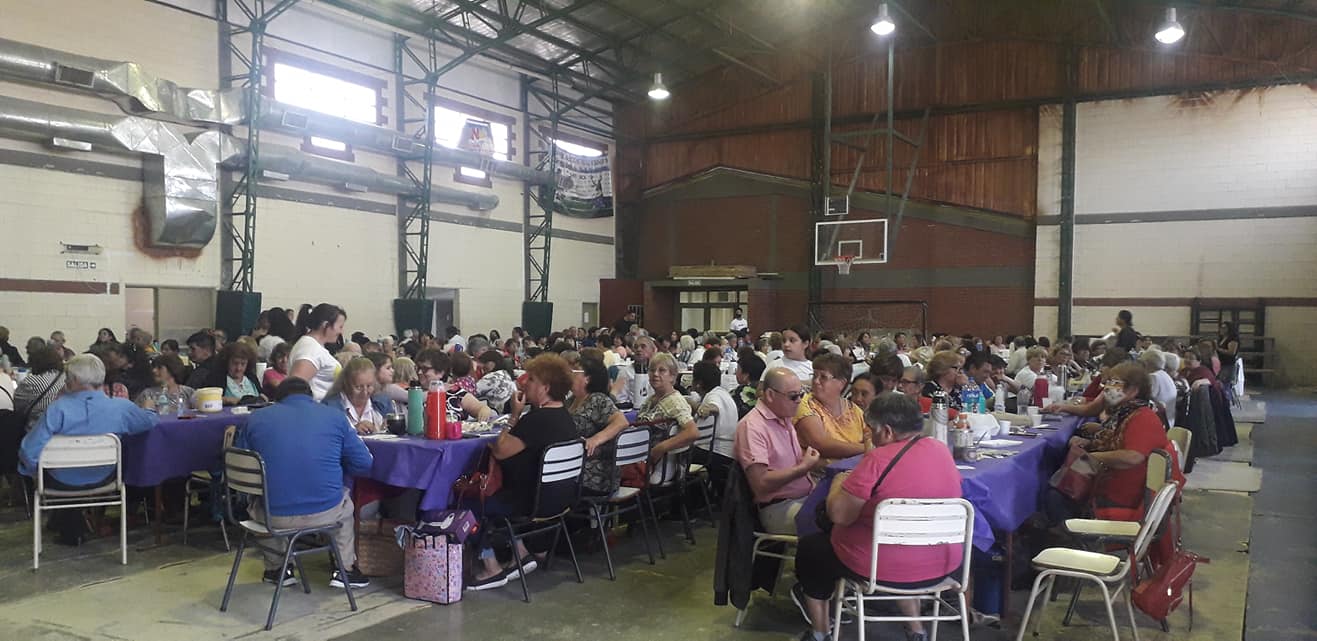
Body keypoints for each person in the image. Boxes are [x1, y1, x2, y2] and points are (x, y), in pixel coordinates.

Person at [792, 392, 963, 641]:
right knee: (904, 541)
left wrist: (840, 480)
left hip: (882, 567)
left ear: (887, 431)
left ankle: (820, 633)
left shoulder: (877, 460)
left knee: (812, 549)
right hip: (942, 563)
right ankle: (916, 630)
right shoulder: (941, 450)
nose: (869, 435)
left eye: (871, 429)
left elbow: (839, 515)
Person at [235, 377, 373, 588]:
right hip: (325, 513)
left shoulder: (255, 419)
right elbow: (364, 463)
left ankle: (278, 569)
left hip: (272, 518)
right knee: (344, 501)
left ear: (277, 399)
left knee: (263, 498)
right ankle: (344, 570)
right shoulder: (335, 417)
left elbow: (241, 466)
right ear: (311, 397)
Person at [467, 354, 580, 590]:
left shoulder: (537, 420)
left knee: (470, 502)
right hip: (560, 500)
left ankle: (491, 567)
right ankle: (520, 552)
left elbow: (500, 450)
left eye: (531, 380)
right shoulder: (566, 418)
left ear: (545, 388)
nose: (524, 383)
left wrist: (515, 415)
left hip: (528, 503)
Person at [19, 355, 158, 545]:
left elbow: (28, 450)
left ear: (74, 380)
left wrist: (35, 471)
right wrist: (149, 409)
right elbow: (148, 423)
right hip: (106, 477)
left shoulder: (57, 409)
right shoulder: (121, 407)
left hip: (61, 481)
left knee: (52, 469)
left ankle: (68, 526)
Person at [1063, 363, 1183, 521]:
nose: (1108, 388)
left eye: (1115, 383)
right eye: (1108, 382)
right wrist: (1090, 442)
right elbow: (1119, 439)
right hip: (1121, 484)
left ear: (1133, 390)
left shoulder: (1143, 417)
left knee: (1058, 494)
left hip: (1124, 493)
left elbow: (1132, 457)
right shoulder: (1127, 412)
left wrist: (1092, 456)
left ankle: (1063, 530)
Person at [733, 367, 815, 535]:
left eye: (801, 394)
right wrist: (803, 468)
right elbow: (761, 483)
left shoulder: (784, 417)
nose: (799, 401)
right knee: (837, 526)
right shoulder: (752, 427)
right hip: (778, 508)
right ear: (770, 395)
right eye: (793, 396)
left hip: (801, 498)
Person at [634, 353, 701, 481]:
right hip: (642, 457)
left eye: (662, 370)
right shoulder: (651, 399)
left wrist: (660, 448)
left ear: (672, 376)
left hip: (660, 465)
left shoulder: (674, 401)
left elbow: (693, 432)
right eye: (652, 370)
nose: (655, 374)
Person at [569, 357, 629, 496]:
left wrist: (596, 439)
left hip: (596, 472)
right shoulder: (570, 401)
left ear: (587, 379)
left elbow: (621, 422)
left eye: (574, 371)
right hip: (575, 462)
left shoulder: (597, 399)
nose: (569, 374)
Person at [795, 353, 869, 464]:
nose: (816, 381)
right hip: (820, 472)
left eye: (823, 377)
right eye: (814, 375)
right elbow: (820, 444)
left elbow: (870, 437)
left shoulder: (854, 410)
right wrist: (867, 449)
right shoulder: (804, 404)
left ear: (842, 383)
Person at [413, 348, 494, 422]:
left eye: (425, 369)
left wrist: (484, 412)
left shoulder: (454, 392)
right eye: (418, 368)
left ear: (440, 372)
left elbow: (482, 408)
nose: (419, 372)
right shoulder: (411, 394)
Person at [692, 360, 738, 488]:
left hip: (715, 453)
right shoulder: (723, 393)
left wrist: (704, 409)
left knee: (675, 452)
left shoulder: (713, 396)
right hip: (729, 453)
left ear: (699, 383)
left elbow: (714, 407)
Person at [290, 303, 347, 400]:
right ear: (325, 325)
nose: (341, 332)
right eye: (340, 327)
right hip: (314, 407)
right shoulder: (310, 350)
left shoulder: (315, 347)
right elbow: (294, 389)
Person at [322, 356, 389, 435]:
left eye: (369, 386)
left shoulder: (382, 403)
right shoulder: (329, 406)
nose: (365, 392)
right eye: (359, 387)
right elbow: (326, 435)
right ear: (346, 384)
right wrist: (352, 430)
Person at [13, 347, 65, 432]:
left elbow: (17, 406)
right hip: (61, 428)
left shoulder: (31, 382)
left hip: (36, 429)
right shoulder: (65, 377)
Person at [611, 335, 657, 409]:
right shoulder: (625, 372)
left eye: (643, 346)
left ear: (653, 350)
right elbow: (621, 400)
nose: (638, 349)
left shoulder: (658, 371)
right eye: (636, 347)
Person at [1139, 349, 1177, 427]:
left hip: (1162, 422)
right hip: (1169, 419)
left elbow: (1145, 398)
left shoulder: (1154, 376)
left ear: (1146, 364)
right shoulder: (1164, 374)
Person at [732, 346, 764, 419]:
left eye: (738, 369)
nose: (735, 372)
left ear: (745, 375)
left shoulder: (741, 392)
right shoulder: (764, 391)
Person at [1216, 321, 1240, 388]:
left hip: (1228, 364)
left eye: (1224, 328)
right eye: (1221, 328)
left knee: (1225, 384)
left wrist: (1218, 349)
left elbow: (1232, 352)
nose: (1222, 329)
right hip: (1221, 363)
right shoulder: (1221, 338)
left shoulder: (1233, 339)